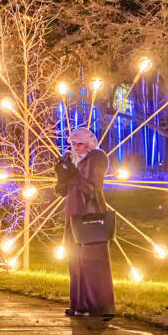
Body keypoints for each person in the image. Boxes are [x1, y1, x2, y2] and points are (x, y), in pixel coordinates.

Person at [57, 125, 115, 318]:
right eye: (72, 144)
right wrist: (62, 175)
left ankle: (98, 305)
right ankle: (78, 304)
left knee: (92, 261)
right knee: (74, 260)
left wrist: (72, 173)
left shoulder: (98, 158)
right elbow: (63, 191)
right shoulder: (74, 160)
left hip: (90, 215)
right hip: (73, 215)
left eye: (79, 143)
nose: (75, 147)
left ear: (89, 144)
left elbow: (92, 189)